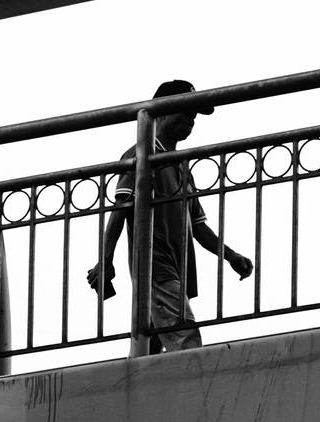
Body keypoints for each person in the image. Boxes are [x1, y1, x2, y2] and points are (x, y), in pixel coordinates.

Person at [87, 80, 255, 353]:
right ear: (163, 111)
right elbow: (121, 209)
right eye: (186, 112)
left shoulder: (183, 166)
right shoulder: (142, 155)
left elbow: (199, 228)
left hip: (178, 270)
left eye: (194, 115)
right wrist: (106, 260)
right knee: (186, 341)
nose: (191, 121)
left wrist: (231, 255)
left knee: (149, 353)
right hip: (156, 268)